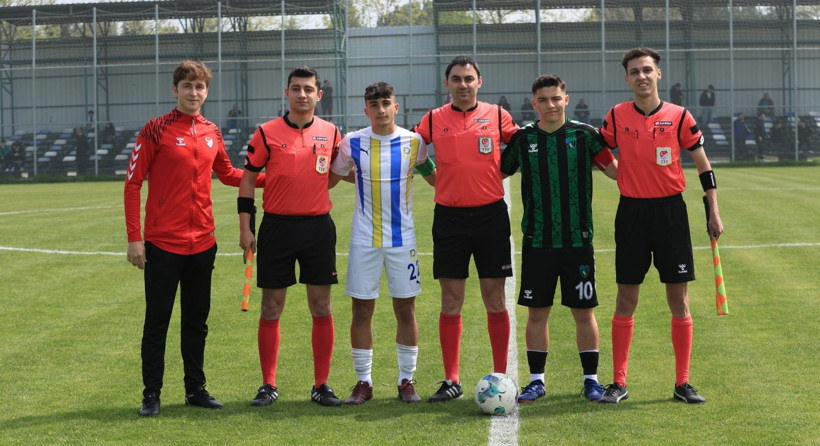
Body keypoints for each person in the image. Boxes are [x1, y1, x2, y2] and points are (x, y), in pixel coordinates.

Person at [124, 60, 264, 417]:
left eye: (200, 87)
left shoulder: (212, 132)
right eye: (187, 86)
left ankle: (195, 390)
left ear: (207, 91)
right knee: (157, 320)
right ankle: (151, 394)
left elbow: (230, 175)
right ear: (175, 90)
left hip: (203, 242)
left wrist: (275, 177)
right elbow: (133, 184)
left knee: (196, 322)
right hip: (161, 242)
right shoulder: (155, 130)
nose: (193, 93)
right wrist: (134, 238)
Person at [598, 47, 724, 405]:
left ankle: (682, 383)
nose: (641, 76)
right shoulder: (616, 115)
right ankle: (618, 382)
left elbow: (703, 164)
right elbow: (599, 147)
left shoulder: (680, 116)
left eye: (647, 70)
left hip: (671, 214)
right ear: (627, 79)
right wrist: (616, 173)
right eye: (634, 71)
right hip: (632, 214)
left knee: (678, 299)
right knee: (626, 298)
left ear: (658, 74)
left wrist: (713, 210)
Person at [500, 74, 617, 403]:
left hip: (578, 242)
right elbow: (497, 172)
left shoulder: (585, 136)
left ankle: (591, 380)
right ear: (533, 103)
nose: (550, 105)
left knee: (584, 312)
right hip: (537, 242)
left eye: (556, 98)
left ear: (567, 99)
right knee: (537, 312)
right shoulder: (523, 139)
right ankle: (537, 381)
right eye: (543, 100)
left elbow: (615, 171)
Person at [414, 55, 518, 403]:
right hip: (449, 218)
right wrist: (433, 177)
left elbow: (517, 148)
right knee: (451, 300)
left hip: (490, 216)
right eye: (456, 79)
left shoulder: (498, 115)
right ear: (447, 84)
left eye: (468, 78)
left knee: (494, 297)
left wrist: (497, 174)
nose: (462, 84)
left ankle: (501, 373)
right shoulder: (431, 119)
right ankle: (451, 379)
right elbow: (415, 150)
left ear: (479, 82)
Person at [238, 66, 343, 408]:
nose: (302, 94)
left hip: (317, 229)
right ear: (287, 93)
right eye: (296, 88)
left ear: (318, 94)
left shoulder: (331, 132)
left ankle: (321, 384)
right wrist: (245, 227)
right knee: (271, 307)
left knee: (322, 306)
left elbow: (338, 172)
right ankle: (268, 384)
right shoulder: (266, 133)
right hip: (277, 228)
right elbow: (248, 179)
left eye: (308, 89)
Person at [328, 82, 436, 405]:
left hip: (403, 241)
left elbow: (435, 176)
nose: (380, 110)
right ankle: (364, 382)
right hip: (364, 240)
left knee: (406, 308)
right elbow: (331, 177)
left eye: (386, 103)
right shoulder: (353, 142)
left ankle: (407, 380)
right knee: (362, 309)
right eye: (374, 105)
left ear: (396, 106)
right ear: (366, 110)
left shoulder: (415, 143)